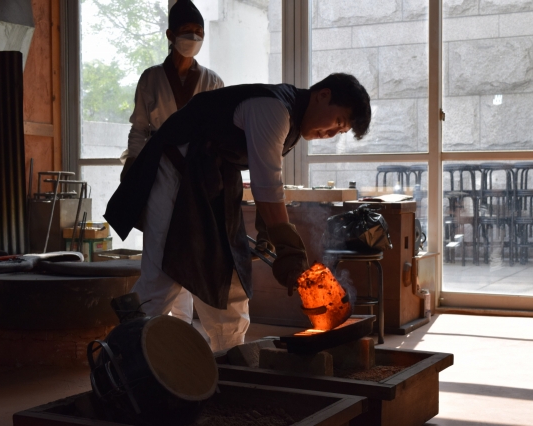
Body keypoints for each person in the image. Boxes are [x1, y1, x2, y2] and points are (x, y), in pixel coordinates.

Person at [106, 73, 371, 352]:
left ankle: (231, 356)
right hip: (177, 173)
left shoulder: (290, 120)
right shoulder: (274, 108)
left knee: (230, 276)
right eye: (337, 123)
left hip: (212, 181)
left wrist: (268, 231)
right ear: (323, 95)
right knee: (164, 274)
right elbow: (267, 186)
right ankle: (123, 358)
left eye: (338, 133)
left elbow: (264, 176)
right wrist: (289, 248)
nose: (329, 135)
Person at [119, 0, 223, 325]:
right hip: (159, 171)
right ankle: (144, 329)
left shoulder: (212, 81)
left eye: (199, 33)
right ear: (170, 34)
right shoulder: (151, 78)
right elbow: (139, 128)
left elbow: (220, 135)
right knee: (158, 250)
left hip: (196, 176)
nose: (193, 38)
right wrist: (131, 167)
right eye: (187, 32)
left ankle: (179, 334)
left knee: (188, 253)